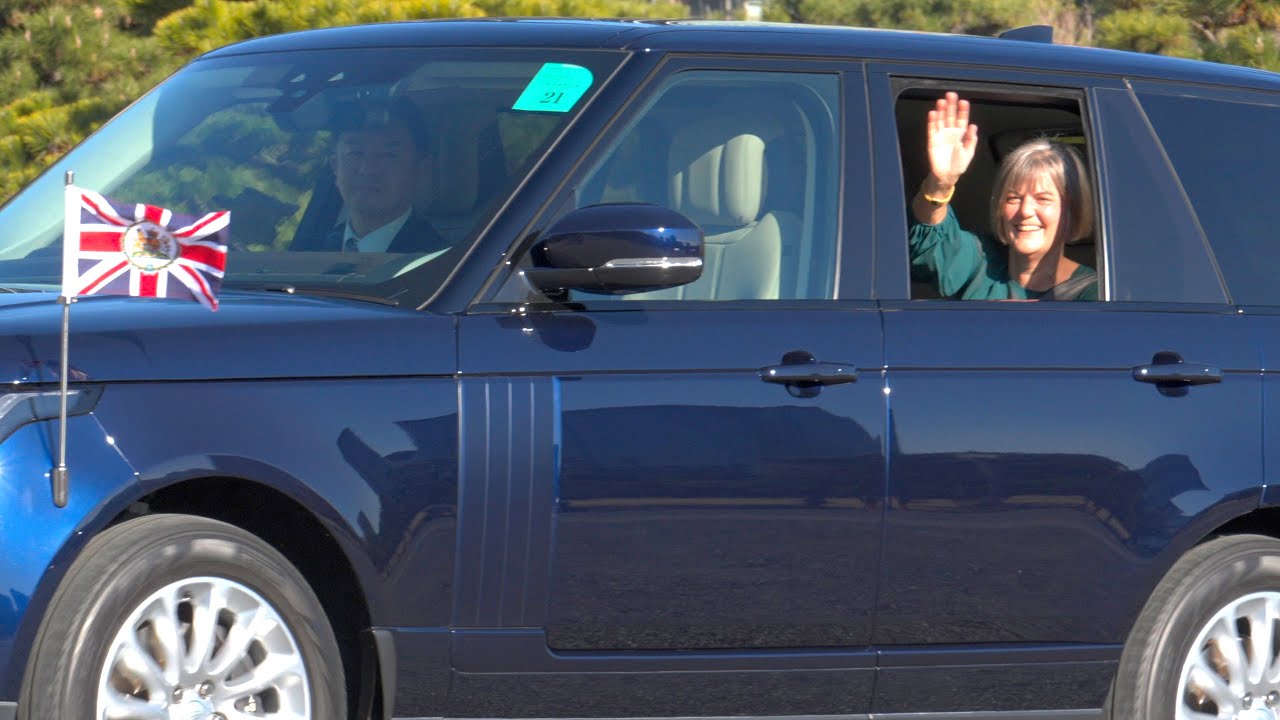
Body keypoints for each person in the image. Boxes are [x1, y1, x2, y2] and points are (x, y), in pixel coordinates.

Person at [909, 92, 1097, 301]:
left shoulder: (1094, 293)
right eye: (1013, 198)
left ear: (1073, 209)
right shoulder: (980, 260)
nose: (1025, 211)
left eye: (1043, 199)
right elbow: (929, 242)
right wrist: (941, 183)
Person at [300, 97, 448, 254]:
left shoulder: (444, 263)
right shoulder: (308, 252)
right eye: (355, 153)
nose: (367, 169)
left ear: (420, 169)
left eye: (388, 155)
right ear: (335, 166)